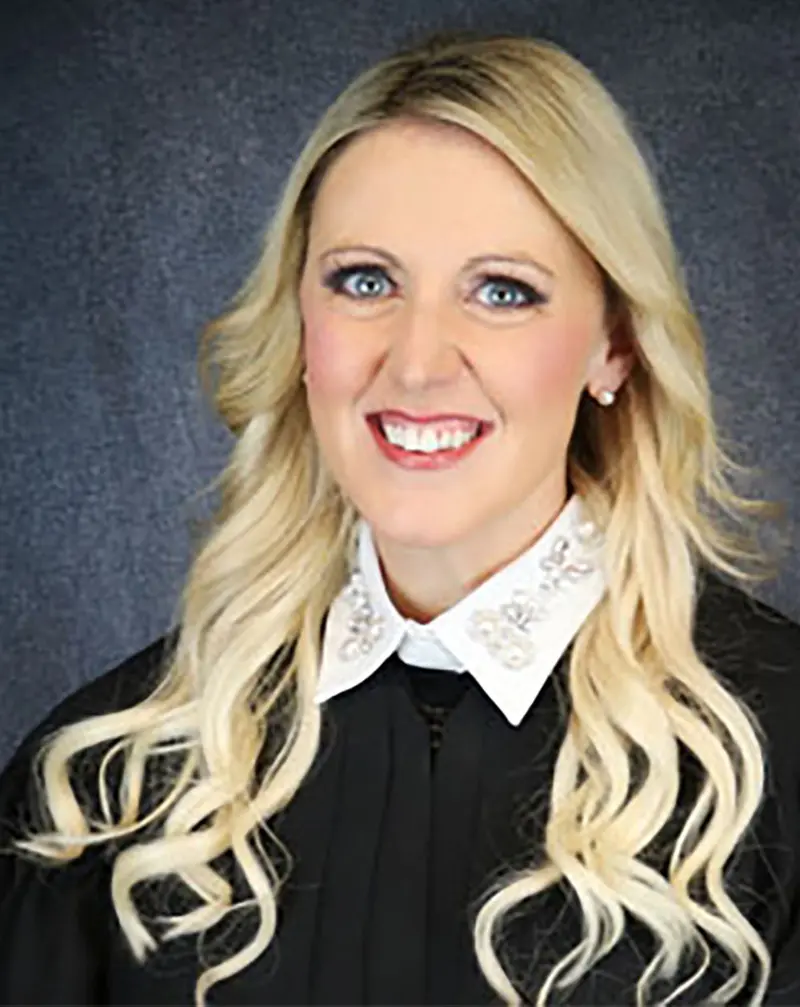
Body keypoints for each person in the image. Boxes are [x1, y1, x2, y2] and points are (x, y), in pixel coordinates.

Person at [1, 25, 799, 1007]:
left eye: (501, 291)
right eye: (364, 281)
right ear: (300, 327)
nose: (417, 363)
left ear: (613, 347)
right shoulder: (107, 778)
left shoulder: (772, 758)